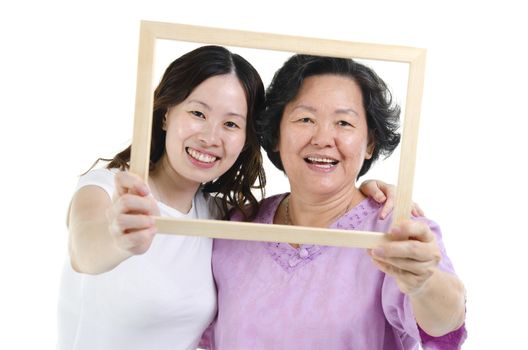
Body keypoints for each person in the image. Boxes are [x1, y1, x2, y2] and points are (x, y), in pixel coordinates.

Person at [57, 46, 397, 350]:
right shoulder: (104, 189)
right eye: (198, 114)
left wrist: (367, 194)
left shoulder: (222, 218)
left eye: (231, 124)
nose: (210, 137)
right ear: (165, 113)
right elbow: (85, 248)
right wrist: (118, 238)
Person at [200, 55, 467, 349]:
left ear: (370, 144)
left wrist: (424, 282)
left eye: (343, 122)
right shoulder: (235, 226)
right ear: (275, 135)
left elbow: (445, 324)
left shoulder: (399, 229)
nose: (323, 138)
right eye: (305, 119)